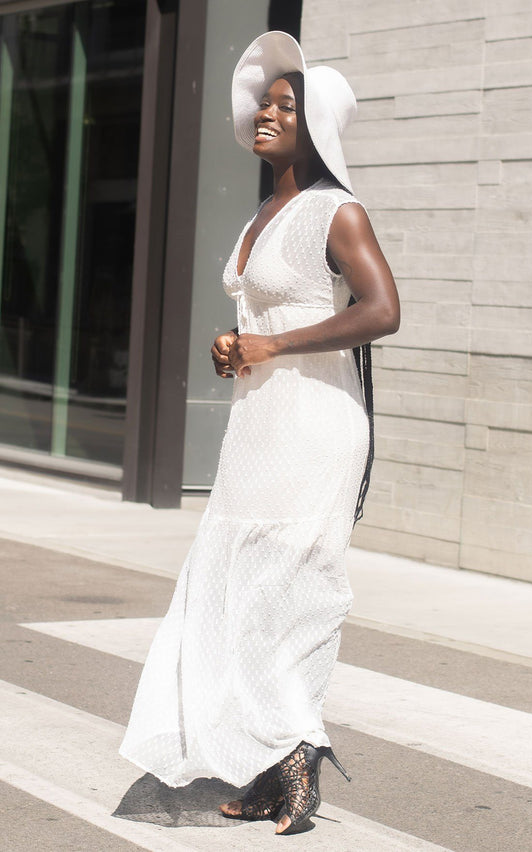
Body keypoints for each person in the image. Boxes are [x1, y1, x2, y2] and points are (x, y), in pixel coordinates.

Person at [119, 31, 400, 837]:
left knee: (291, 592)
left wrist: (272, 344)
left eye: (287, 106)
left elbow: (382, 311)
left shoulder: (336, 211)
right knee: (237, 596)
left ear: (317, 128)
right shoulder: (266, 211)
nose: (268, 115)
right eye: (266, 104)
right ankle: (276, 766)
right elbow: (271, 314)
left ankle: (298, 749)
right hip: (260, 427)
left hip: (314, 429)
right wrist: (235, 344)